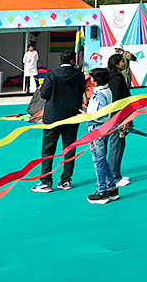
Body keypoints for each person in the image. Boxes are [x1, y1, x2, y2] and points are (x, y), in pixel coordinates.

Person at [31, 50, 86, 193]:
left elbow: (44, 94)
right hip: (72, 116)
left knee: (48, 149)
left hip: (53, 117)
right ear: (73, 61)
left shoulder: (52, 74)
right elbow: (81, 91)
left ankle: (46, 181)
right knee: (69, 148)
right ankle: (66, 180)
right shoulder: (79, 75)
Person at [85, 67, 119, 204]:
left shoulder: (100, 94)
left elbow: (102, 114)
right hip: (103, 128)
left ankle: (102, 191)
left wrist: (87, 116)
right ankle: (111, 187)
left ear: (96, 80)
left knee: (98, 160)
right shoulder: (106, 90)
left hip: (97, 128)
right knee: (102, 159)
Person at [105, 52, 131, 189]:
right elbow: (119, 100)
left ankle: (117, 173)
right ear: (116, 64)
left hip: (118, 115)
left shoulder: (115, 77)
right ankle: (113, 177)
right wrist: (124, 118)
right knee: (116, 144)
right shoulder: (116, 79)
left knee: (120, 144)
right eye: (122, 61)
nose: (124, 63)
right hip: (117, 116)